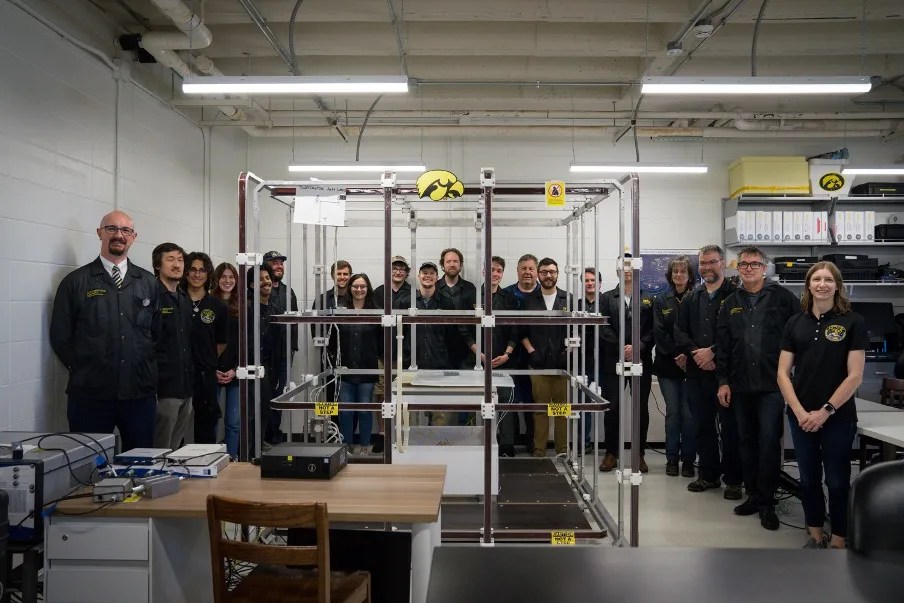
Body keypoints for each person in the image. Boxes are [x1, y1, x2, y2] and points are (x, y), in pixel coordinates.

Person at [50, 211, 159, 452]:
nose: (118, 235)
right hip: (90, 396)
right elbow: (60, 336)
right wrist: (87, 367)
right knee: (88, 466)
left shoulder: (148, 282)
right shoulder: (76, 282)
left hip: (138, 395)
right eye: (111, 229)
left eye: (125, 231)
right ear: (99, 232)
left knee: (140, 462)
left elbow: (157, 334)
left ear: (134, 237)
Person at [777, 261, 866, 549]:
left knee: (838, 480)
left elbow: (855, 376)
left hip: (837, 416)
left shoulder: (853, 321)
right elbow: (782, 373)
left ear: (837, 285)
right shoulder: (795, 322)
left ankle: (840, 539)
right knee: (808, 479)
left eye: (829, 279)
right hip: (801, 417)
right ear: (808, 285)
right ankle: (815, 534)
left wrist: (825, 411)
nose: (822, 284)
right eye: (816, 279)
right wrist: (801, 412)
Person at [716, 246, 799, 530]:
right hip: (740, 386)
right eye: (744, 264)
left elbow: (799, 338)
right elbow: (724, 347)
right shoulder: (730, 303)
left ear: (765, 268)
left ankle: (767, 502)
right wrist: (723, 382)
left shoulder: (783, 299)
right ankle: (752, 494)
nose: (748, 268)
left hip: (772, 387)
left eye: (754, 264)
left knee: (768, 443)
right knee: (746, 443)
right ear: (737, 269)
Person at [674, 245, 743, 499]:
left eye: (711, 262)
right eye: (702, 264)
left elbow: (739, 334)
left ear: (722, 263)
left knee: (730, 427)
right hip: (697, 372)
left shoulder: (736, 296)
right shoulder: (693, 297)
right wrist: (697, 354)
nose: (706, 268)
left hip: (727, 374)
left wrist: (712, 351)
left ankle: (734, 480)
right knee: (702, 425)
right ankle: (708, 475)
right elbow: (679, 331)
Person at [597, 255, 654, 473]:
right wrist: (623, 346)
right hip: (614, 358)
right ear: (617, 269)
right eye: (623, 266)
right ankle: (611, 453)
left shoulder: (649, 298)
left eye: (630, 266)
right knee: (612, 406)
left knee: (641, 408)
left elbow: (653, 330)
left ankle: (638, 455)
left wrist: (637, 347)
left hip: (641, 360)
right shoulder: (607, 298)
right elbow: (604, 326)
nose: (627, 270)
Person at [462, 256, 518, 455]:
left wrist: (507, 354)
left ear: (502, 273)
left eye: (499, 270)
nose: (495, 274)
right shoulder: (472, 296)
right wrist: (479, 352)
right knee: (473, 402)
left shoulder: (510, 299)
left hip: (503, 360)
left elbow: (514, 330)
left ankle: (506, 445)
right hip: (476, 360)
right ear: (484, 272)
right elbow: (464, 329)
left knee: (504, 404)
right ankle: (473, 441)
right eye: (491, 270)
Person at [521, 257, 571, 457]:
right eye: (544, 272)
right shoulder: (529, 301)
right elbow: (521, 331)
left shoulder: (568, 299)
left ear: (557, 274)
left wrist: (568, 352)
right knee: (540, 410)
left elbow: (577, 331)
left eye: (552, 271)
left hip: (562, 364)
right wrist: (532, 351)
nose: (548, 275)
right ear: (539, 275)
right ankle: (539, 449)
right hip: (538, 365)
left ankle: (561, 450)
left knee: (560, 411)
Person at [653, 256, 697, 478]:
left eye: (683, 271)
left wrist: (688, 356)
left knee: (689, 414)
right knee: (673, 413)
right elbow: (659, 333)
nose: (679, 275)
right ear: (670, 275)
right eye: (675, 272)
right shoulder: (661, 300)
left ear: (690, 275)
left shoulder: (698, 297)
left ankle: (688, 460)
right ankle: (671, 458)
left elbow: (699, 331)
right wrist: (676, 355)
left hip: (694, 364)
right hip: (667, 365)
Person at [151, 243, 194, 451]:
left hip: (186, 386)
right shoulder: (151, 297)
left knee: (175, 448)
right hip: (163, 389)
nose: (177, 265)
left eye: (180, 260)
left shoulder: (184, 300)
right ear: (158, 265)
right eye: (170, 260)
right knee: (160, 449)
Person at [183, 252, 227, 445]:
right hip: (179, 374)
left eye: (202, 270)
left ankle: (204, 466)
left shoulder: (217, 306)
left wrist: (205, 360)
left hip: (205, 374)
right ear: (186, 272)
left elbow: (221, 342)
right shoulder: (176, 300)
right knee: (176, 424)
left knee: (206, 424)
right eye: (192, 269)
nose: (197, 274)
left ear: (208, 274)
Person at [371, 255, 413, 453]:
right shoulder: (378, 293)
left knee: (404, 395)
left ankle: (402, 433)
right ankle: (383, 434)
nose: (398, 271)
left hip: (406, 354)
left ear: (407, 272)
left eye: (401, 268)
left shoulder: (413, 293)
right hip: (383, 353)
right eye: (394, 267)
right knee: (381, 394)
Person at [337, 274, 381, 454]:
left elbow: (382, 341)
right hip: (345, 369)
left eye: (363, 286)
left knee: (364, 409)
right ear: (350, 288)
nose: (359, 289)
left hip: (367, 370)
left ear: (368, 288)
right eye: (355, 286)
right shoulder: (341, 310)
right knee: (345, 411)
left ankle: (364, 446)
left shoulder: (376, 310)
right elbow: (333, 339)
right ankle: (346, 446)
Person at [504, 253, 541, 452]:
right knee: (510, 398)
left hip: (537, 357)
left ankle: (532, 441)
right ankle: (511, 441)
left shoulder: (545, 294)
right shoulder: (507, 294)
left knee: (533, 400)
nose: (527, 272)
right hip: (510, 356)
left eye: (531, 269)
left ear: (536, 272)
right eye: (523, 268)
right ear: (517, 271)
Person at [415, 261, 454, 424]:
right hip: (413, 364)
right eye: (424, 272)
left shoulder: (446, 302)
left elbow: (452, 336)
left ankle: (438, 445)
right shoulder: (407, 301)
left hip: (440, 364)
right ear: (419, 276)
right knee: (410, 410)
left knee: (439, 411)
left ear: (437, 277)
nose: (428, 276)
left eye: (432, 273)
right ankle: (411, 448)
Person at [247, 264, 279, 452]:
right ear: (251, 285)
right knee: (253, 411)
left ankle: (258, 444)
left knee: (265, 408)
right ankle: (251, 449)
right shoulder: (248, 308)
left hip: (268, 365)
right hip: (252, 366)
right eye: (260, 279)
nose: (266, 281)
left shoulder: (272, 307)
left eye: (267, 278)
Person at [263, 250, 298, 416]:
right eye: (274, 262)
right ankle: (261, 434)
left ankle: (274, 433)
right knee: (264, 392)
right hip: (265, 353)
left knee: (281, 394)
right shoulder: (259, 291)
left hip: (285, 352)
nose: (279, 266)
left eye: (281, 263)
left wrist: (293, 347)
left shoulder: (288, 291)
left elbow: (296, 321)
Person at [312, 260, 353, 404]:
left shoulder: (357, 297)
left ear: (350, 275)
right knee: (331, 397)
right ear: (332, 276)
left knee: (350, 400)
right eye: (339, 274)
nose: (342, 277)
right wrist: (326, 351)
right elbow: (315, 329)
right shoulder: (323, 299)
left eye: (345, 274)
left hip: (353, 356)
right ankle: (333, 426)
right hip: (330, 358)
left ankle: (349, 428)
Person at [211, 262, 240, 459]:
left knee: (234, 421)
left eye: (231, 277)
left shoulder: (245, 306)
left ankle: (232, 457)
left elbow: (248, 342)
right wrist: (211, 368)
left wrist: (237, 369)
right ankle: (211, 456)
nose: (227, 281)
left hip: (237, 371)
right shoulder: (209, 303)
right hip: (212, 370)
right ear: (216, 279)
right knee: (211, 418)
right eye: (223, 277)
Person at [436, 248, 477, 370]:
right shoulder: (434, 288)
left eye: (455, 261)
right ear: (442, 266)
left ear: (461, 265)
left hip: (466, 351)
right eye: (448, 261)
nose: (452, 264)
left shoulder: (471, 288)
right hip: (439, 349)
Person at [578, 267, 602, 453]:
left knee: (608, 405)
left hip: (606, 361)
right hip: (583, 362)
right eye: (586, 280)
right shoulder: (577, 305)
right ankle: (584, 442)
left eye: (593, 280)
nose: (589, 283)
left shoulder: (609, 302)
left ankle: (611, 445)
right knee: (584, 404)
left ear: (599, 283)